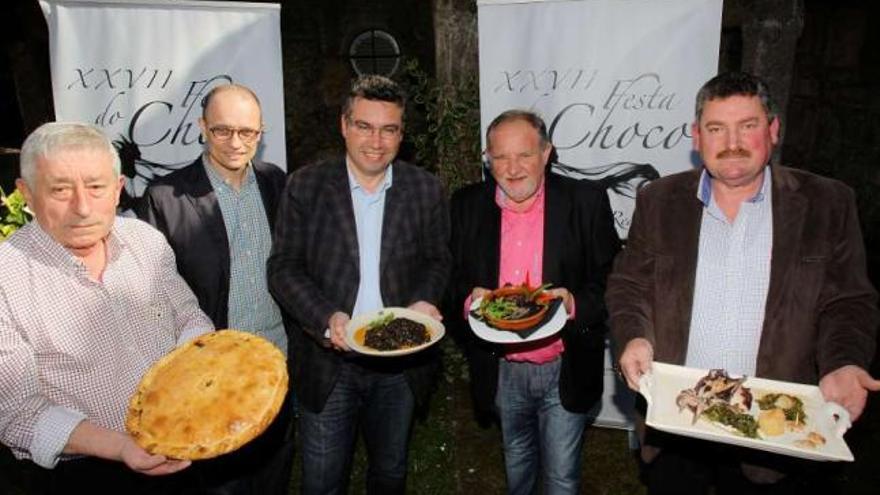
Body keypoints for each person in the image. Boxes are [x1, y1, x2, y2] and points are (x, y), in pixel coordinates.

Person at [607, 71, 880, 494]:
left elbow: (848, 301)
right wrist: (635, 337)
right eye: (717, 128)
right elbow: (630, 285)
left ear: (772, 129)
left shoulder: (826, 203)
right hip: (679, 425)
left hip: (774, 434)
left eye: (747, 126)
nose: (731, 142)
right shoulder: (658, 200)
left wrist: (844, 361)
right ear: (697, 136)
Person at [0, 122, 214, 494]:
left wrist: (203, 369)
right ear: (27, 195)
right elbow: (17, 412)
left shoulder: (145, 242)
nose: (82, 208)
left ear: (117, 190)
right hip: (79, 474)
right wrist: (122, 447)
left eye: (96, 187)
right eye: (60, 190)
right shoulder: (7, 278)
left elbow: (188, 315)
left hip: (177, 448)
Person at [267, 74, 451, 494]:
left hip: (400, 362)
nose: (376, 140)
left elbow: (439, 260)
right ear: (344, 125)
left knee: (389, 474)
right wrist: (325, 317)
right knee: (323, 481)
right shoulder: (306, 186)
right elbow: (283, 267)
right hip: (329, 362)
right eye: (365, 126)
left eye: (389, 129)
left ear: (402, 134)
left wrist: (424, 300)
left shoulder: (425, 190)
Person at [448, 110, 621, 494]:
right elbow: (450, 279)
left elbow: (612, 279)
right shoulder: (465, 205)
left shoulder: (585, 201)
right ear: (486, 159)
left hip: (564, 362)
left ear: (546, 153)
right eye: (500, 157)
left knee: (561, 477)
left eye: (524, 155)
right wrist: (467, 301)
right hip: (502, 368)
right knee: (518, 459)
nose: (512, 168)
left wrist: (574, 302)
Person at [138, 83, 294, 494]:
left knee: (273, 472)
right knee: (219, 483)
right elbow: (150, 294)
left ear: (261, 134)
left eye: (247, 132)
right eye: (223, 130)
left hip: (274, 363)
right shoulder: (165, 197)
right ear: (202, 127)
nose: (235, 142)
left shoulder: (276, 182)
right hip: (208, 378)